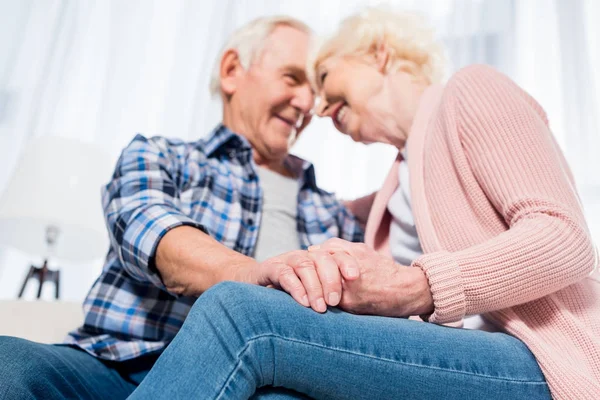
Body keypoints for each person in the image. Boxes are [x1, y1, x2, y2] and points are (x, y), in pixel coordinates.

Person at [128, 7, 599, 400]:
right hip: (463, 356)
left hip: (543, 358)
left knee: (241, 314)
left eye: (326, 78)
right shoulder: (395, 184)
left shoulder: (470, 91)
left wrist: (415, 287)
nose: (318, 108)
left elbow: (565, 236)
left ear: (379, 53)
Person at [0, 15, 373, 400]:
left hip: (255, 386)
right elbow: (155, 235)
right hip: (118, 367)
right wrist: (255, 275)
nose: (306, 102)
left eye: (313, 90)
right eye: (292, 78)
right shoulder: (160, 156)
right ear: (231, 70)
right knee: (7, 364)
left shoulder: (334, 214)